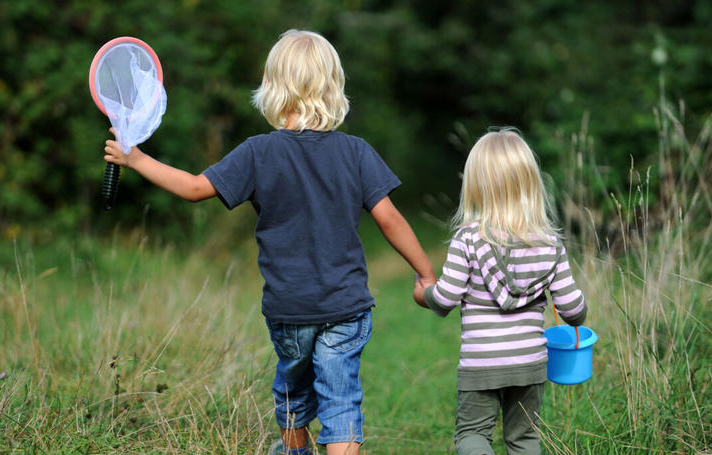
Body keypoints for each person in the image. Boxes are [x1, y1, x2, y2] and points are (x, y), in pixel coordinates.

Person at [103, 29, 436, 455]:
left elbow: (192, 188)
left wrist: (137, 158)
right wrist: (425, 274)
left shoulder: (259, 152)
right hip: (346, 307)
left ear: (273, 89)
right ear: (334, 87)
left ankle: (294, 451)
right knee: (341, 400)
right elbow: (390, 219)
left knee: (292, 395)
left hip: (289, 308)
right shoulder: (355, 151)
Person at [413, 128, 587, 455]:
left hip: (481, 363)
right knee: (524, 439)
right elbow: (572, 309)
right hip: (530, 362)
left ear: (476, 186)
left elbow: (447, 297)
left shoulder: (467, 240)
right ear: (530, 184)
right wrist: (580, 311)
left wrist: (424, 294)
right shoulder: (549, 244)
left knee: (472, 435)